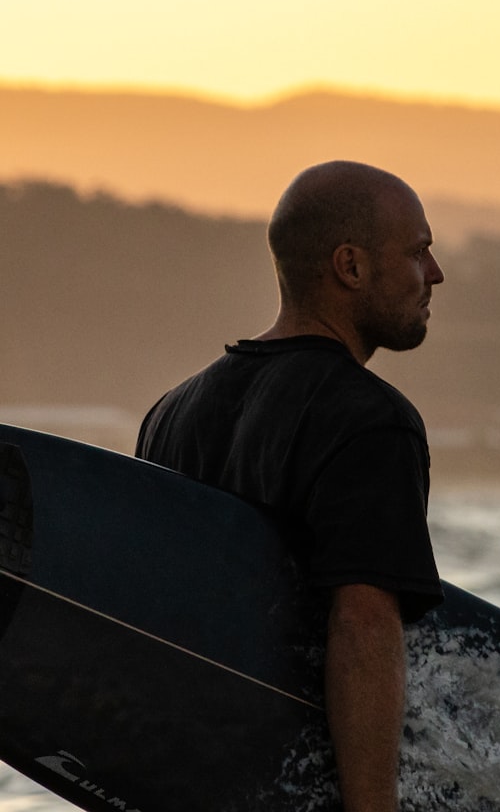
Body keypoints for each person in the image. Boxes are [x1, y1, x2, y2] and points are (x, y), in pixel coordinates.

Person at [136, 160, 446, 812]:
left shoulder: (168, 413)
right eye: (419, 252)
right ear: (351, 267)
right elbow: (363, 623)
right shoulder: (371, 420)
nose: (436, 273)